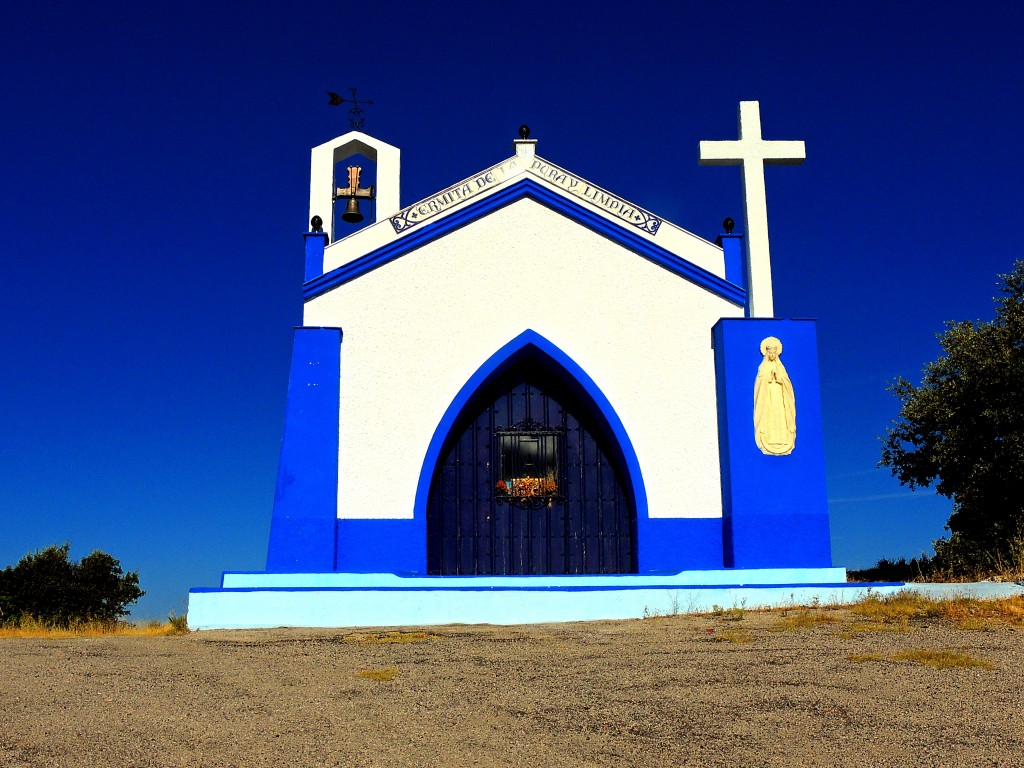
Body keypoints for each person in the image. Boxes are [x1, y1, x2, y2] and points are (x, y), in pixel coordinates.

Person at [753, 336, 796, 455]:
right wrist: (767, 378)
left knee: (780, 416)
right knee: (770, 415)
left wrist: (779, 379)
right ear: (766, 353)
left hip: (779, 397)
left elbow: (787, 382)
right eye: (770, 352)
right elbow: (760, 383)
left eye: (774, 353)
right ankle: (770, 439)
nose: (772, 355)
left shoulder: (780, 367)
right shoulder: (763, 367)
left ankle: (782, 439)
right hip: (768, 397)